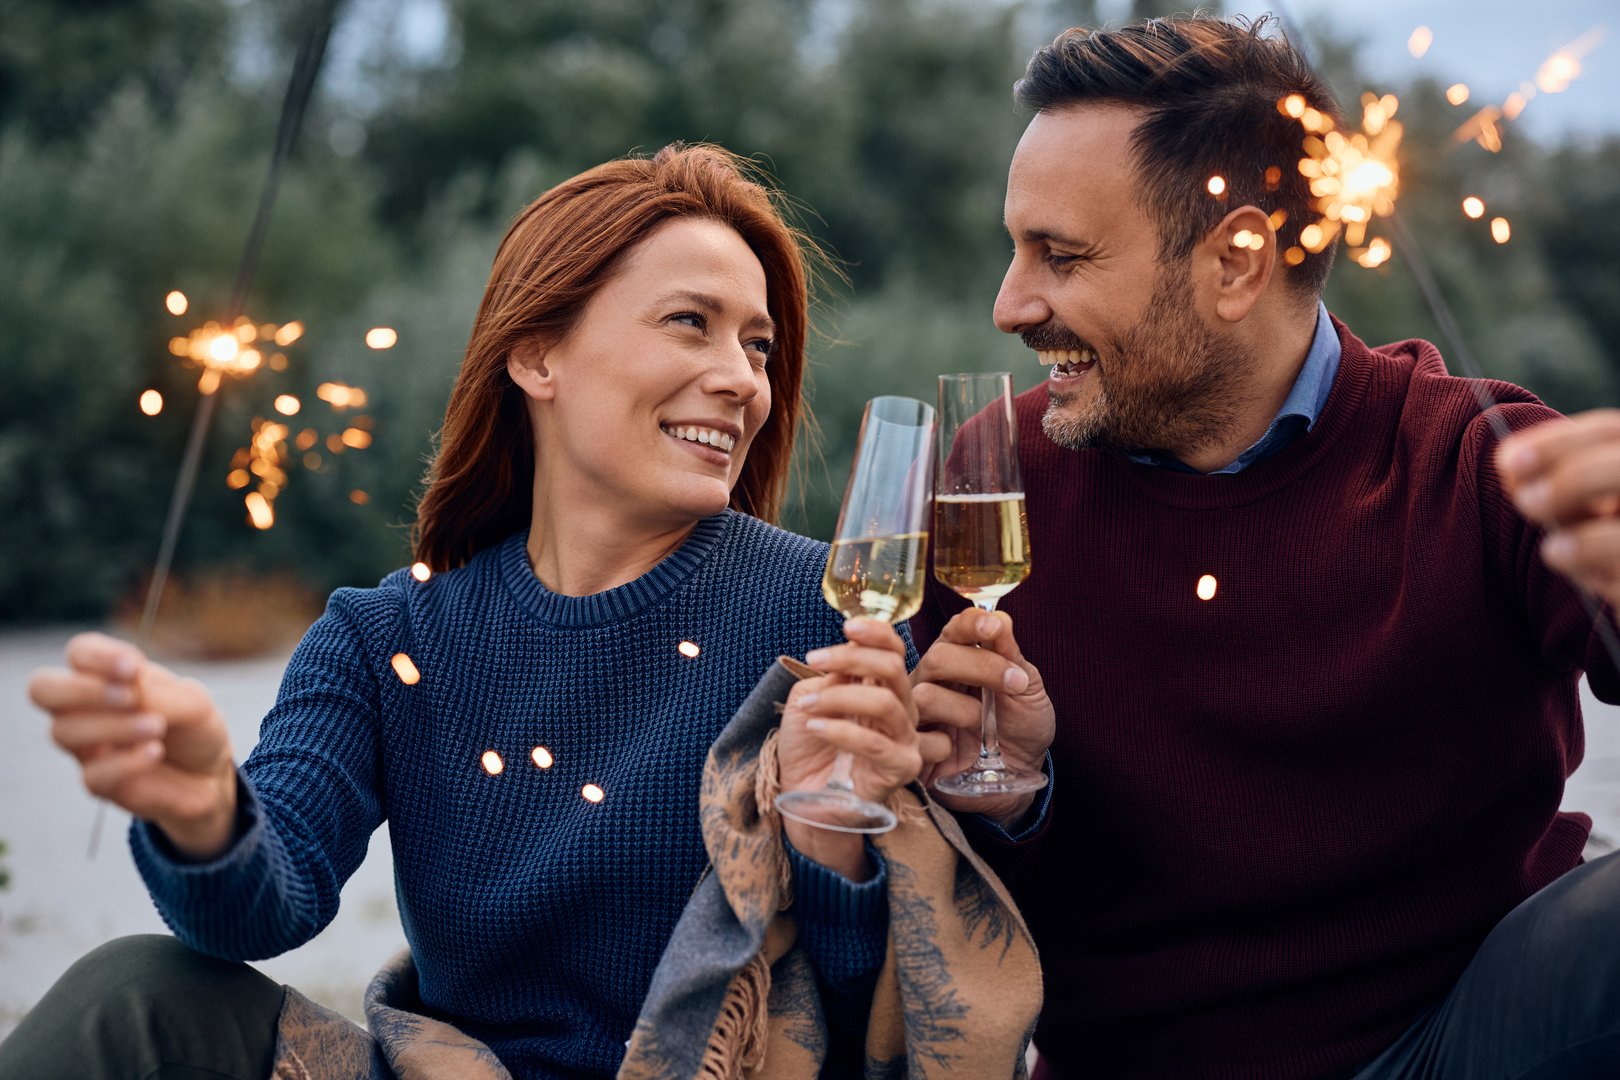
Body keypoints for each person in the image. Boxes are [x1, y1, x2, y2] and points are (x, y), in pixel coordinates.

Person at [6, 144, 939, 1079]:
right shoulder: (385, 640)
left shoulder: (833, 617)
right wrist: (206, 813)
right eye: (690, 322)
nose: (743, 379)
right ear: (536, 354)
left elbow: (886, 1033)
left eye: (758, 345)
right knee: (133, 989)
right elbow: (259, 909)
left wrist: (837, 860)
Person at [908, 14, 1620, 1080]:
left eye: (1060, 257)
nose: (1010, 305)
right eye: (1017, 250)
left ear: (1237, 260)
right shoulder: (995, 472)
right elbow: (932, 894)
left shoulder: (1476, 458)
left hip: (1452, 1045)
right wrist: (1015, 803)